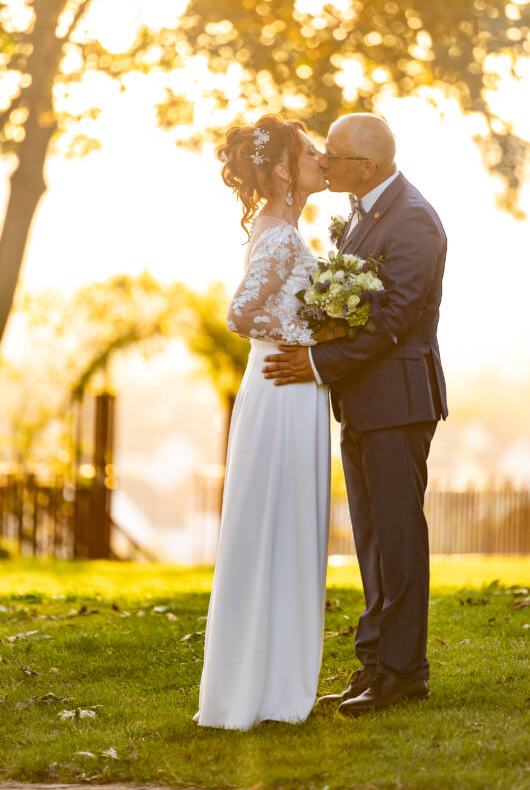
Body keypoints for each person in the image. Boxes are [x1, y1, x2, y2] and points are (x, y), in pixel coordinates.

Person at [263, 113, 448, 716]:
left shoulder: (413, 219)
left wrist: (317, 363)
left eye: (333, 157)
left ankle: (403, 673)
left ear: (364, 168)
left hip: (397, 403)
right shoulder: (366, 213)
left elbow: (393, 318)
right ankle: (373, 664)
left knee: (398, 538)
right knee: (372, 539)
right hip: (365, 403)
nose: (324, 162)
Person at [195, 114, 332, 730]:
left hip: (293, 387)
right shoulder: (277, 236)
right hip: (283, 386)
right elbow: (241, 313)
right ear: (281, 169)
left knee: (287, 523)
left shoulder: (286, 229)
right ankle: (264, 686)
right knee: (275, 521)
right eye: (308, 152)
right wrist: (313, 337)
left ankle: (272, 678)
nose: (320, 157)